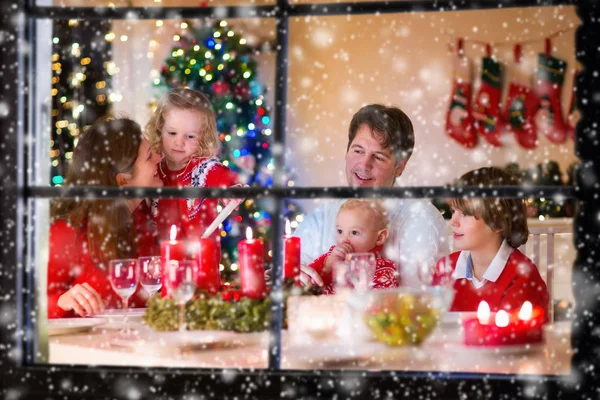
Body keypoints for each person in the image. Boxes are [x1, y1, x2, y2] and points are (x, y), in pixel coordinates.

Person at [294, 104, 449, 288]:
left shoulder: (422, 220)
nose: (364, 165)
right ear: (347, 152)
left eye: (379, 157)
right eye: (358, 151)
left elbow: (421, 305)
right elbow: (288, 284)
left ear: (400, 166)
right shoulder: (319, 220)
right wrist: (295, 281)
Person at [48, 117, 163, 318]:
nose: (159, 158)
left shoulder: (146, 219)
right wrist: (61, 301)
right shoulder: (67, 233)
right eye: (148, 157)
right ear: (124, 180)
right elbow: (27, 304)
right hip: (85, 347)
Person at [433, 167, 549, 316]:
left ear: (498, 223)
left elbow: (519, 337)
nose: (453, 222)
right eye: (453, 211)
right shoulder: (445, 268)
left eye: (466, 214)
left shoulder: (523, 279)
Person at [145, 88, 241, 242]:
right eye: (171, 133)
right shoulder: (153, 169)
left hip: (200, 259)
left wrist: (231, 189)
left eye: (190, 136)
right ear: (159, 131)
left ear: (203, 138)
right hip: (161, 259)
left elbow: (223, 176)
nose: (179, 142)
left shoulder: (204, 168)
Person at [307, 199, 399, 293]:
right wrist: (327, 267)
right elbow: (306, 284)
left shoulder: (383, 269)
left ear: (380, 237)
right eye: (340, 231)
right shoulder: (331, 256)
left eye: (354, 232)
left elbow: (380, 301)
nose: (343, 239)